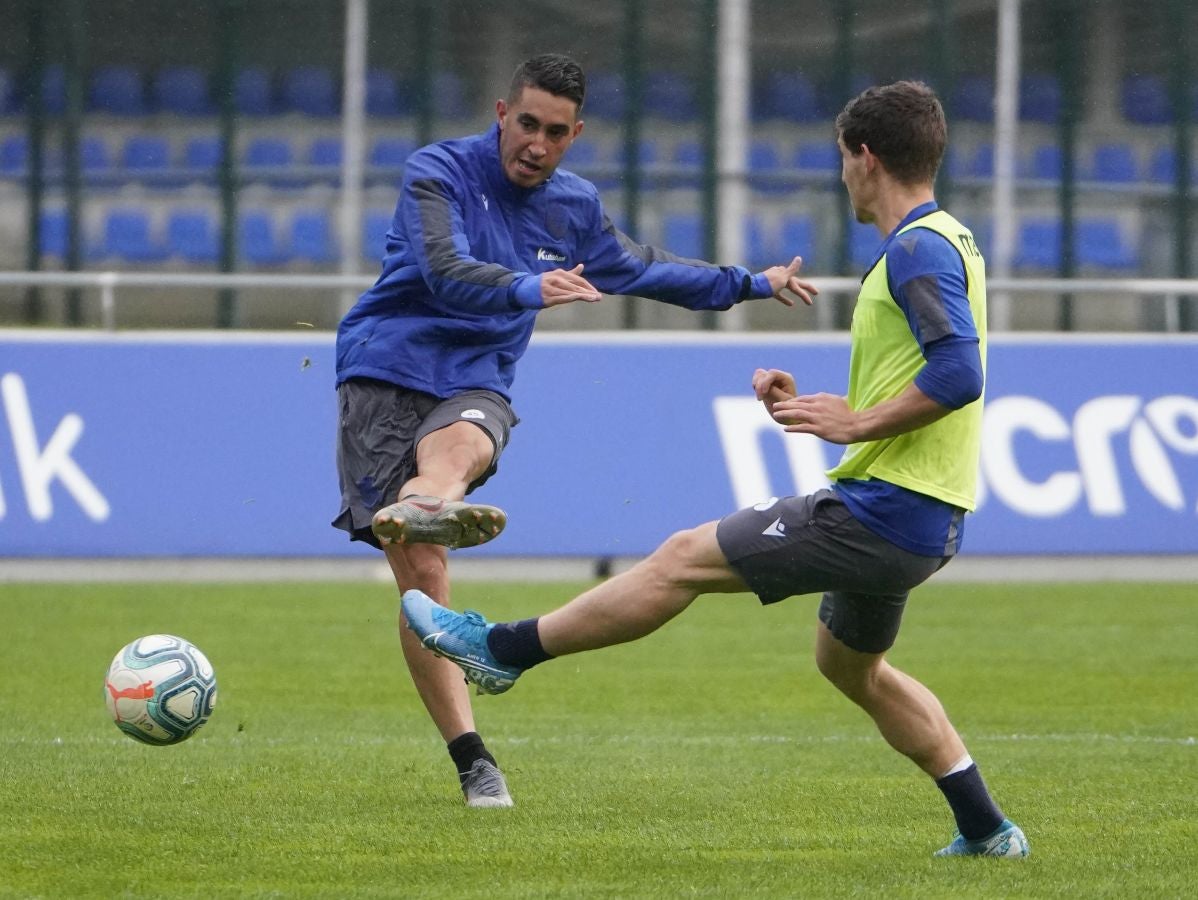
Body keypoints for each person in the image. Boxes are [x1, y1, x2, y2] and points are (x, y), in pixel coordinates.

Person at [400, 80, 1030, 858]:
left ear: (866, 158)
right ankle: (987, 828)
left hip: (887, 511)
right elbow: (925, 370)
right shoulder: (952, 238)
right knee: (852, 668)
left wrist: (859, 422)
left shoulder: (914, 248)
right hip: (925, 512)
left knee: (681, 559)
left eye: (842, 159)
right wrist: (824, 406)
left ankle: (501, 651)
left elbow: (959, 372)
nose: (842, 176)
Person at [333, 53, 816, 809]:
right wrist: (530, 286)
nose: (537, 143)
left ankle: (432, 499)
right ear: (501, 113)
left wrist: (750, 283)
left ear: (575, 134)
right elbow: (441, 269)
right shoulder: (437, 172)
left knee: (467, 438)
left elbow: (642, 269)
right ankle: (468, 749)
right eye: (526, 124)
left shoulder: (574, 207)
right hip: (385, 369)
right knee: (425, 583)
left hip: (475, 375)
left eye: (556, 132)